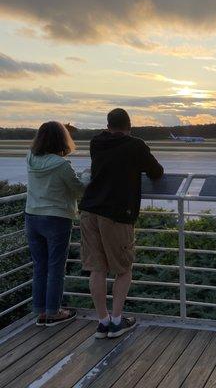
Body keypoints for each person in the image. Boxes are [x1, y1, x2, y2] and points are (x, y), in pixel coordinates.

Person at [79, 108, 163, 338]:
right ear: (129, 126)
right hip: (116, 214)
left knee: (97, 269)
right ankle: (117, 321)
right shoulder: (135, 145)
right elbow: (156, 172)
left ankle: (103, 321)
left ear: (107, 126)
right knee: (123, 269)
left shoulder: (96, 143)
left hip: (89, 210)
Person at [25, 121, 86, 326]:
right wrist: (87, 176)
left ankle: (40, 312)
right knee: (55, 267)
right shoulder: (61, 165)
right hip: (56, 218)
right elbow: (78, 190)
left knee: (40, 267)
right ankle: (54, 311)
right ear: (62, 139)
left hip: (32, 216)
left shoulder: (30, 157)